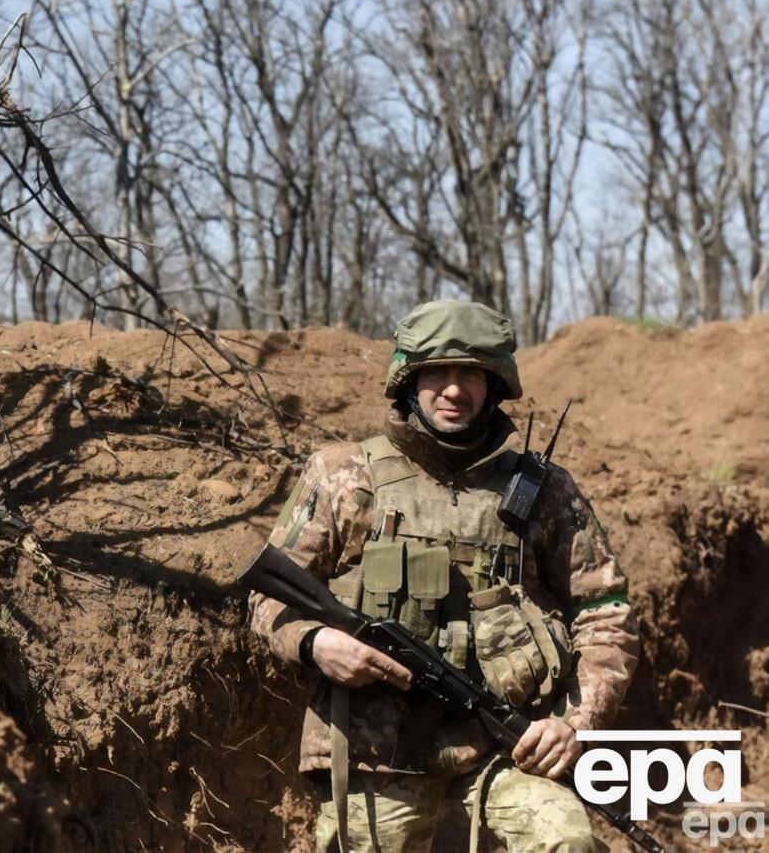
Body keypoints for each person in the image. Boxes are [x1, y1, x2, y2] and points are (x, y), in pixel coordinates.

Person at [247, 299, 639, 853]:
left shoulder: (544, 491)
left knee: (566, 840)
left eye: (472, 374)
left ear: (495, 385)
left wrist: (573, 722)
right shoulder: (344, 475)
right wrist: (316, 641)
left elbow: (604, 612)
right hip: (377, 756)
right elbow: (269, 597)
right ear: (409, 380)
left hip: (506, 749)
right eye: (438, 372)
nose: (455, 390)